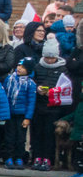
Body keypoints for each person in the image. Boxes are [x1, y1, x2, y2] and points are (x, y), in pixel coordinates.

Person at [31, 35, 68, 169]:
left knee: (49, 134)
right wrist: (37, 88)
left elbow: (65, 87)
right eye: (47, 57)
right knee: (37, 133)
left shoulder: (63, 69)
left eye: (52, 57)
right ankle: (36, 157)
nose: (49, 60)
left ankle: (48, 158)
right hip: (39, 106)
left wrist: (52, 91)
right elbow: (32, 82)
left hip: (54, 108)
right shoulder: (38, 67)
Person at [2, 58, 37, 169]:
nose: (19, 68)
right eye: (18, 66)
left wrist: (28, 117)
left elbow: (31, 102)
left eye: (23, 67)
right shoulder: (10, 79)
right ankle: (8, 157)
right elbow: (5, 96)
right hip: (10, 113)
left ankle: (19, 157)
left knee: (21, 138)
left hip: (22, 115)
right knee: (9, 136)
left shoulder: (30, 84)